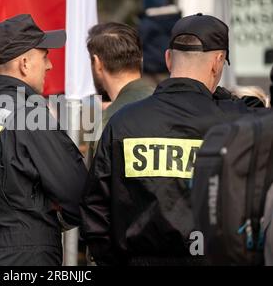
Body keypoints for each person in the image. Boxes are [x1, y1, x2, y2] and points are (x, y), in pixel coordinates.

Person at [81, 13, 247, 266]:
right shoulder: (237, 124)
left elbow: (96, 210)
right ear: (218, 61)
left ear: (168, 58)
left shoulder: (124, 121)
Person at [0, 14, 88, 266]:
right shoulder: (28, 114)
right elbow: (78, 193)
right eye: (44, 57)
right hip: (30, 258)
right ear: (24, 64)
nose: (49, 66)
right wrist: (52, 220)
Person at [85, 22, 155, 166]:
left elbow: (94, 184)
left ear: (98, 64)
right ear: (140, 60)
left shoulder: (106, 123)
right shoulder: (174, 106)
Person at [138, 0, 181, 84]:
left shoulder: (146, 23)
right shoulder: (177, 20)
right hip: (173, 68)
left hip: (150, 71)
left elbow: (138, 44)